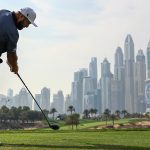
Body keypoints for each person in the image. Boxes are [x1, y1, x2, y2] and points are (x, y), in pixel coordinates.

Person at [0, 7, 37, 74]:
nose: (27, 26)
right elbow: (11, 56)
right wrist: (14, 66)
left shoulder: (4, 12)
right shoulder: (13, 34)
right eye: (28, 23)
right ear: (21, 16)